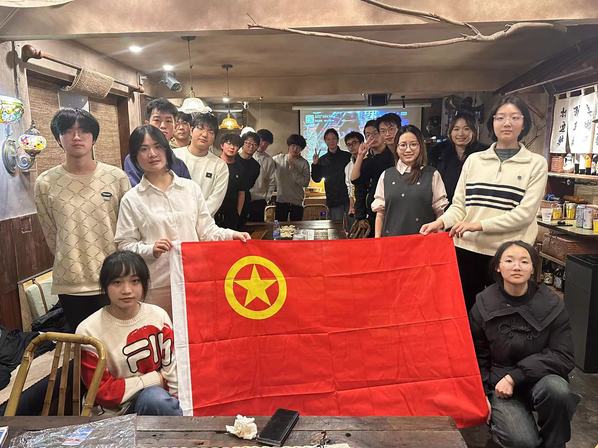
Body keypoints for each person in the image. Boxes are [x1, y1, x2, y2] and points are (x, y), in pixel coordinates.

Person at [420, 95, 548, 310]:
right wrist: (441, 222)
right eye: (500, 117)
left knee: (504, 314)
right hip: (467, 249)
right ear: (492, 123)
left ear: (524, 123)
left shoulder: (535, 163)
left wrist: (478, 225)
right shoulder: (475, 160)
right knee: (465, 310)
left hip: (508, 254)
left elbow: (525, 215)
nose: (507, 123)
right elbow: (459, 206)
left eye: (514, 117)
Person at [115, 125, 250, 316]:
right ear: (135, 157)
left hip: (194, 279)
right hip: (157, 284)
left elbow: (207, 232)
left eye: (157, 146)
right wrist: (150, 249)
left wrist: (232, 235)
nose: (152, 154)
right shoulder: (132, 199)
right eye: (143, 149)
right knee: (163, 332)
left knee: (197, 328)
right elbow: (124, 245)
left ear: (166, 150)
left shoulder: (190, 189)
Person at [470, 241, 579, 448]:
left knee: (558, 390)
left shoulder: (551, 304)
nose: (517, 267)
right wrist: (481, 393)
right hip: (499, 386)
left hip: (542, 379)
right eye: (509, 260)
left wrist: (515, 376)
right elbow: (476, 354)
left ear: (532, 268)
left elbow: (563, 355)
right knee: (523, 442)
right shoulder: (483, 304)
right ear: (498, 266)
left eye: (524, 261)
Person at [34, 108, 130, 331]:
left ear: (93, 138)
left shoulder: (116, 177)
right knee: (84, 344)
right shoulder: (45, 182)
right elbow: (51, 234)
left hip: (113, 277)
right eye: (68, 131)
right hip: (71, 282)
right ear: (58, 138)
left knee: (119, 339)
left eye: (83, 131)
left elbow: (126, 229)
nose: (76, 137)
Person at [76, 250, 182, 416]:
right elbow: (102, 391)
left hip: (160, 404)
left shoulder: (158, 316)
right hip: (112, 414)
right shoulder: (88, 330)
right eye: (117, 282)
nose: (126, 290)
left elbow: (173, 371)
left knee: (157, 399)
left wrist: (178, 404)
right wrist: (154, 379)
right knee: (155, 398)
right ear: (105, 286)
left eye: (135, 281)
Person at [372, 124, 448, 237]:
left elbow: (440, 212)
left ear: (420, 146)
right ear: (396, 148)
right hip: (391, 241)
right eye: (403, 145)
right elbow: (380, 214)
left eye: (413, 144)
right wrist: (377, 241)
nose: (408, 149)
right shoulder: (386, 175)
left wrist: (439, 239)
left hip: (423, 241)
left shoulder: (432, 174)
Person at [123, 98, 191, 186]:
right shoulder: (134, 159)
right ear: (147, 124)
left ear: (175, 126)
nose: (163, 126)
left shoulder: (179, 164)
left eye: (168, 121)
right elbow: (137, 190)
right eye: (157, 120)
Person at [173, 113, 229, 216]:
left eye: (210, 132)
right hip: (173, 219)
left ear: (214, 138)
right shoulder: (174, 156)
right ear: (191, 130)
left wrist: (194, 218)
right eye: (200, 128)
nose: (204, 134)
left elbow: (215, 201)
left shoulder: (220, 166)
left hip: (203, 222)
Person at [428, 111, 486, 203]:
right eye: (456, 129)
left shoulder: (484, 155)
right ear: (450, 132)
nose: (461, 133)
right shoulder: (438, 154)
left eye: (466, 129)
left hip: (473, 206)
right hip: (444, 206)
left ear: (474, 132)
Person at [351, 120, 396, 235]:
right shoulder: (367, 160)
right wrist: (360, 155)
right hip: (370, 213)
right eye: (368, 135)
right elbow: (355, 181)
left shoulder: (393, 157)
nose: (372, 137)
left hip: (391, 211)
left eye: (375, 133)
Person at [311, 128, 352, 221]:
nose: (331, 141)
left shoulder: (347, 156)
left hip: (349, 197)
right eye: (328, 139)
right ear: (325, 141)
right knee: (337, 226)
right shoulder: (322, 159)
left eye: (333, 138)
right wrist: (315, 164)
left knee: (352, 225)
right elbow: (316, 179)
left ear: (337, 139)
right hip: (333, 199)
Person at [272, 134, 311, 221]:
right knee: (279, 227)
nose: (295, 149)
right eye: (293, 146)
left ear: (301, 149)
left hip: (297, 202)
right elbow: (267, 166)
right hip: (281, 201)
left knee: (297, 227)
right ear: (289, 146)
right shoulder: (278, 159)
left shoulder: (304, 163)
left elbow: (305, 183)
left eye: (298, 147)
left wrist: (294, 170)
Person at [215, 133, 245, 230]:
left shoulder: (240, 168)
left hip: (231, 214)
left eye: (235, 145)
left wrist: (237, 213)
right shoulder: (214, 164)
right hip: (214, 211)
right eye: (228, 143)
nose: (232, 147)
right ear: (222, 145)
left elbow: (241, 192)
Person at [249, 128, 276, 222]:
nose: (264, 144)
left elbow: (272, 181)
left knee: (258, 225)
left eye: (267, 143)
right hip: (244, 197)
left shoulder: (269, 160)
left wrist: (267, 198)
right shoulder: (245, 154)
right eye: (262, 140)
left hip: (260, 199)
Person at [236, 131, 261, 227]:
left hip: (245, 198)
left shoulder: (256, 166)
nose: (251, 146)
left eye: (254, 144)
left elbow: (250, 184)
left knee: (241, 226)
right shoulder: (233, 158)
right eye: (248, 143)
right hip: (229, 197)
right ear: (242, 143)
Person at [343, 131, 364, 219]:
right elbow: (350, 188)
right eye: (348, 144)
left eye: (354, 143)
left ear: (362, 143)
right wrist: (351, 206)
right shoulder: (348, 166)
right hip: (358, 205)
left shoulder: (369, 160)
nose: (351, 146)